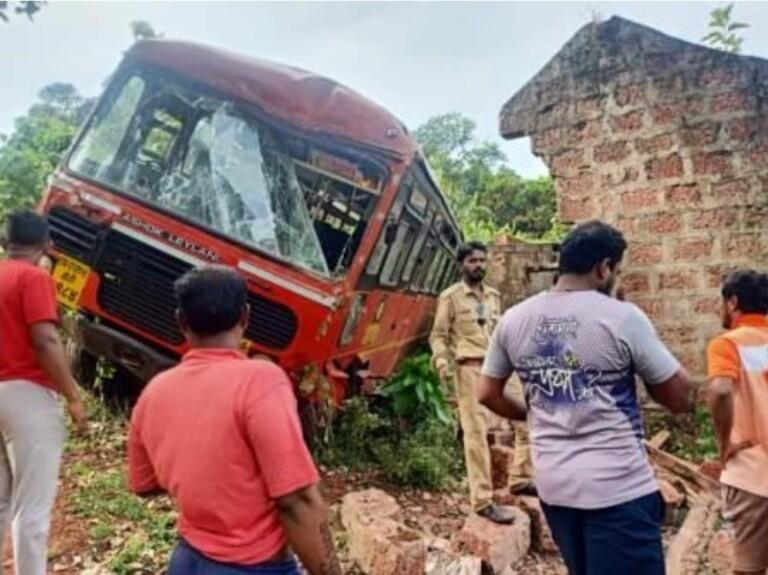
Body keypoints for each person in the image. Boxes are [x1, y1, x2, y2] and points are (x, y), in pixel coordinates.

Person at [479, 220, 699, 575]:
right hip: (618, 489)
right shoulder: (622, 317)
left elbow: (487, 393)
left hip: (555, 489)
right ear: (604, 267)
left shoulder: (513, 319)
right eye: (617, 270)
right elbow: (679, 397)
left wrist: (535, 412)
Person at [127, 266, 340, 575]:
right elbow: (296, 501)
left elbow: (144, 485)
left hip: (187, 561)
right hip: (251, 566)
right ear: (245, 317)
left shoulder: (154, 391)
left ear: (180, 321)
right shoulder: (261, 380)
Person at [0, 210, 87, 575]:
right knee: (31, 508)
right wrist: (73, 396)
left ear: (5, 243)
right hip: (27, 397)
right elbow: (45, 339)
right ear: (47, 244)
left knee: (2, 500)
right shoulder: (34, 278)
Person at [429, 241, 516, 524]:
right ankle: (482, 501)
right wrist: (442, 361)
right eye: (472, 261)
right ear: (461, 265)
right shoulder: (450, 297)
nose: (478, 265)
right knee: (476, 434)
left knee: (526, 416)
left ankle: (523, 479)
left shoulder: (493, 296)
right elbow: (438, 336)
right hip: (469, 369)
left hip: (498, 367)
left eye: (481, 260)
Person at [706, 269, 768, 575]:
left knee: (749, 569)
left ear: (732, 303)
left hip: (755, 474)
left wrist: (724, 444)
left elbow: (719, 390)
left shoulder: (728, 344)